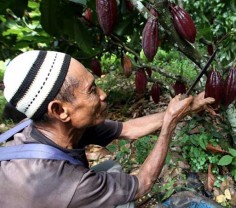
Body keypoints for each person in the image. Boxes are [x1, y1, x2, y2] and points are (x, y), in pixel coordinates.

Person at [0, 50, 214, 207]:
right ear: (60, 110)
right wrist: (169, 126)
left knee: (111, 167)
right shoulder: (62, 181)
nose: (103, 94)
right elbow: (142, 183)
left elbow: (128, 129)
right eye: (92, 90)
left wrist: (186, 108)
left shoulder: (50, 127)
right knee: (123, 201)